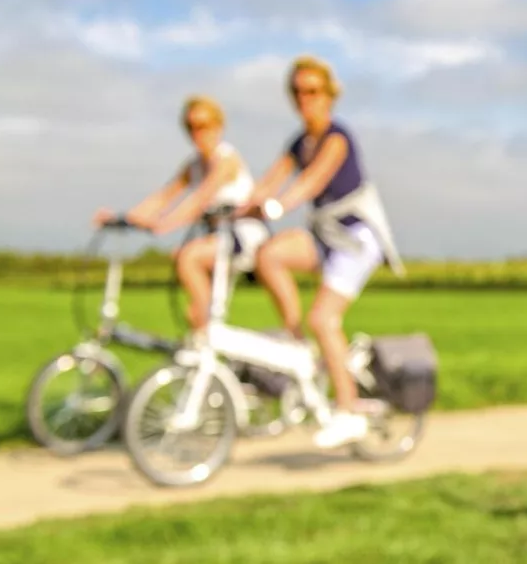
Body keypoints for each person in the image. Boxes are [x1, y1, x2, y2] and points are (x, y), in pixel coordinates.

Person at [241, 56, 404, 449]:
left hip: (355, 238)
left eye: (312, 91)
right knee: (268, 255)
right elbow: (268, 182)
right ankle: (299, 346)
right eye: (297, 91)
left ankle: (348, 410)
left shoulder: (336, 138)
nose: (304, 99)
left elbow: (312, 183)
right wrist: (237, 209)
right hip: (324, 236)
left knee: (325, 317)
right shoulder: (299, 143)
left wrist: (279, 205)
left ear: (329, 94)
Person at [93, 95, 267, 331]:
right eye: (191, 127)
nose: (197, 133)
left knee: (188, 257)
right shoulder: (194, 165)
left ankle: (206, 331)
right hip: (217, 239)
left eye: (203, 126)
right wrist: (122, 218)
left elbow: (200, 197)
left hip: (243, 236)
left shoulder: (226, 160)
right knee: (193, 312)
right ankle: (204, 341)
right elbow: (163, 197)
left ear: (218, 126)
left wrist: (164, 224)